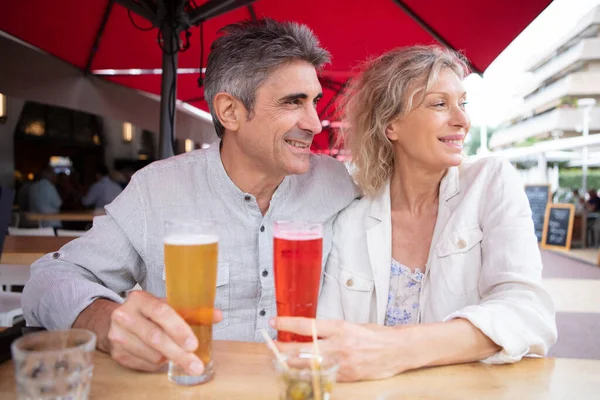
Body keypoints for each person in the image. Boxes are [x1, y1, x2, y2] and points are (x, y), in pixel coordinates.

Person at [22, 19, 358, 376]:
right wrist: (104, 320)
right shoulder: (158, 190)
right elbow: (48, 279)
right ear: (230, 111)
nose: (315, 123)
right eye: (294, 102)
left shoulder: (337, 184)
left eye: (314, 102)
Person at [272, 46, 557, 382]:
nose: (462, 120)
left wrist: (399, 349)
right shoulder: (350, 213)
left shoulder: (490, 182)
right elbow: (330, 336)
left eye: (462, 103)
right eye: (439, 104)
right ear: (391, 124)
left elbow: (529, 312)